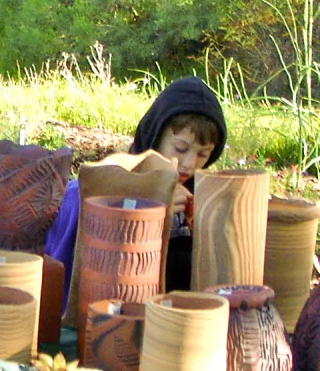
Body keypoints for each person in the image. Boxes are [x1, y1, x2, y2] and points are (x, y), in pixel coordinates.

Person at [46, 76, 226, 308]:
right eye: (180, 148)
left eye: (204, 154)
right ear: (155, 135)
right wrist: (150, 203)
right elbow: (76, 197)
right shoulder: (115, 176)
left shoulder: (200, 194)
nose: (190, 163)